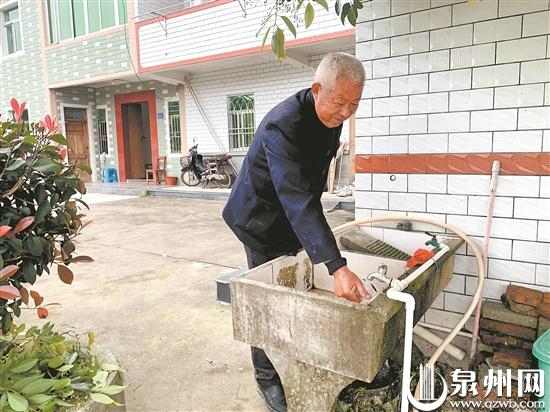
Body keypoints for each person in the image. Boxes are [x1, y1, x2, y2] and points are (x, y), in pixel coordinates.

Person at [222, 52, 369, 412]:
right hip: (258, 219)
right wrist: (336, 266)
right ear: (317, 90)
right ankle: (266, 377)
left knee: (292, 291)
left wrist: (316, 241)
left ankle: (292, 355)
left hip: (290, 216)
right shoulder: (283, 125)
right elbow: (298, 197)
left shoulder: (330, 117)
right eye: (339, 102)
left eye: (353, 105)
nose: (345, 113)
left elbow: (308, 190)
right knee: (266, 300)